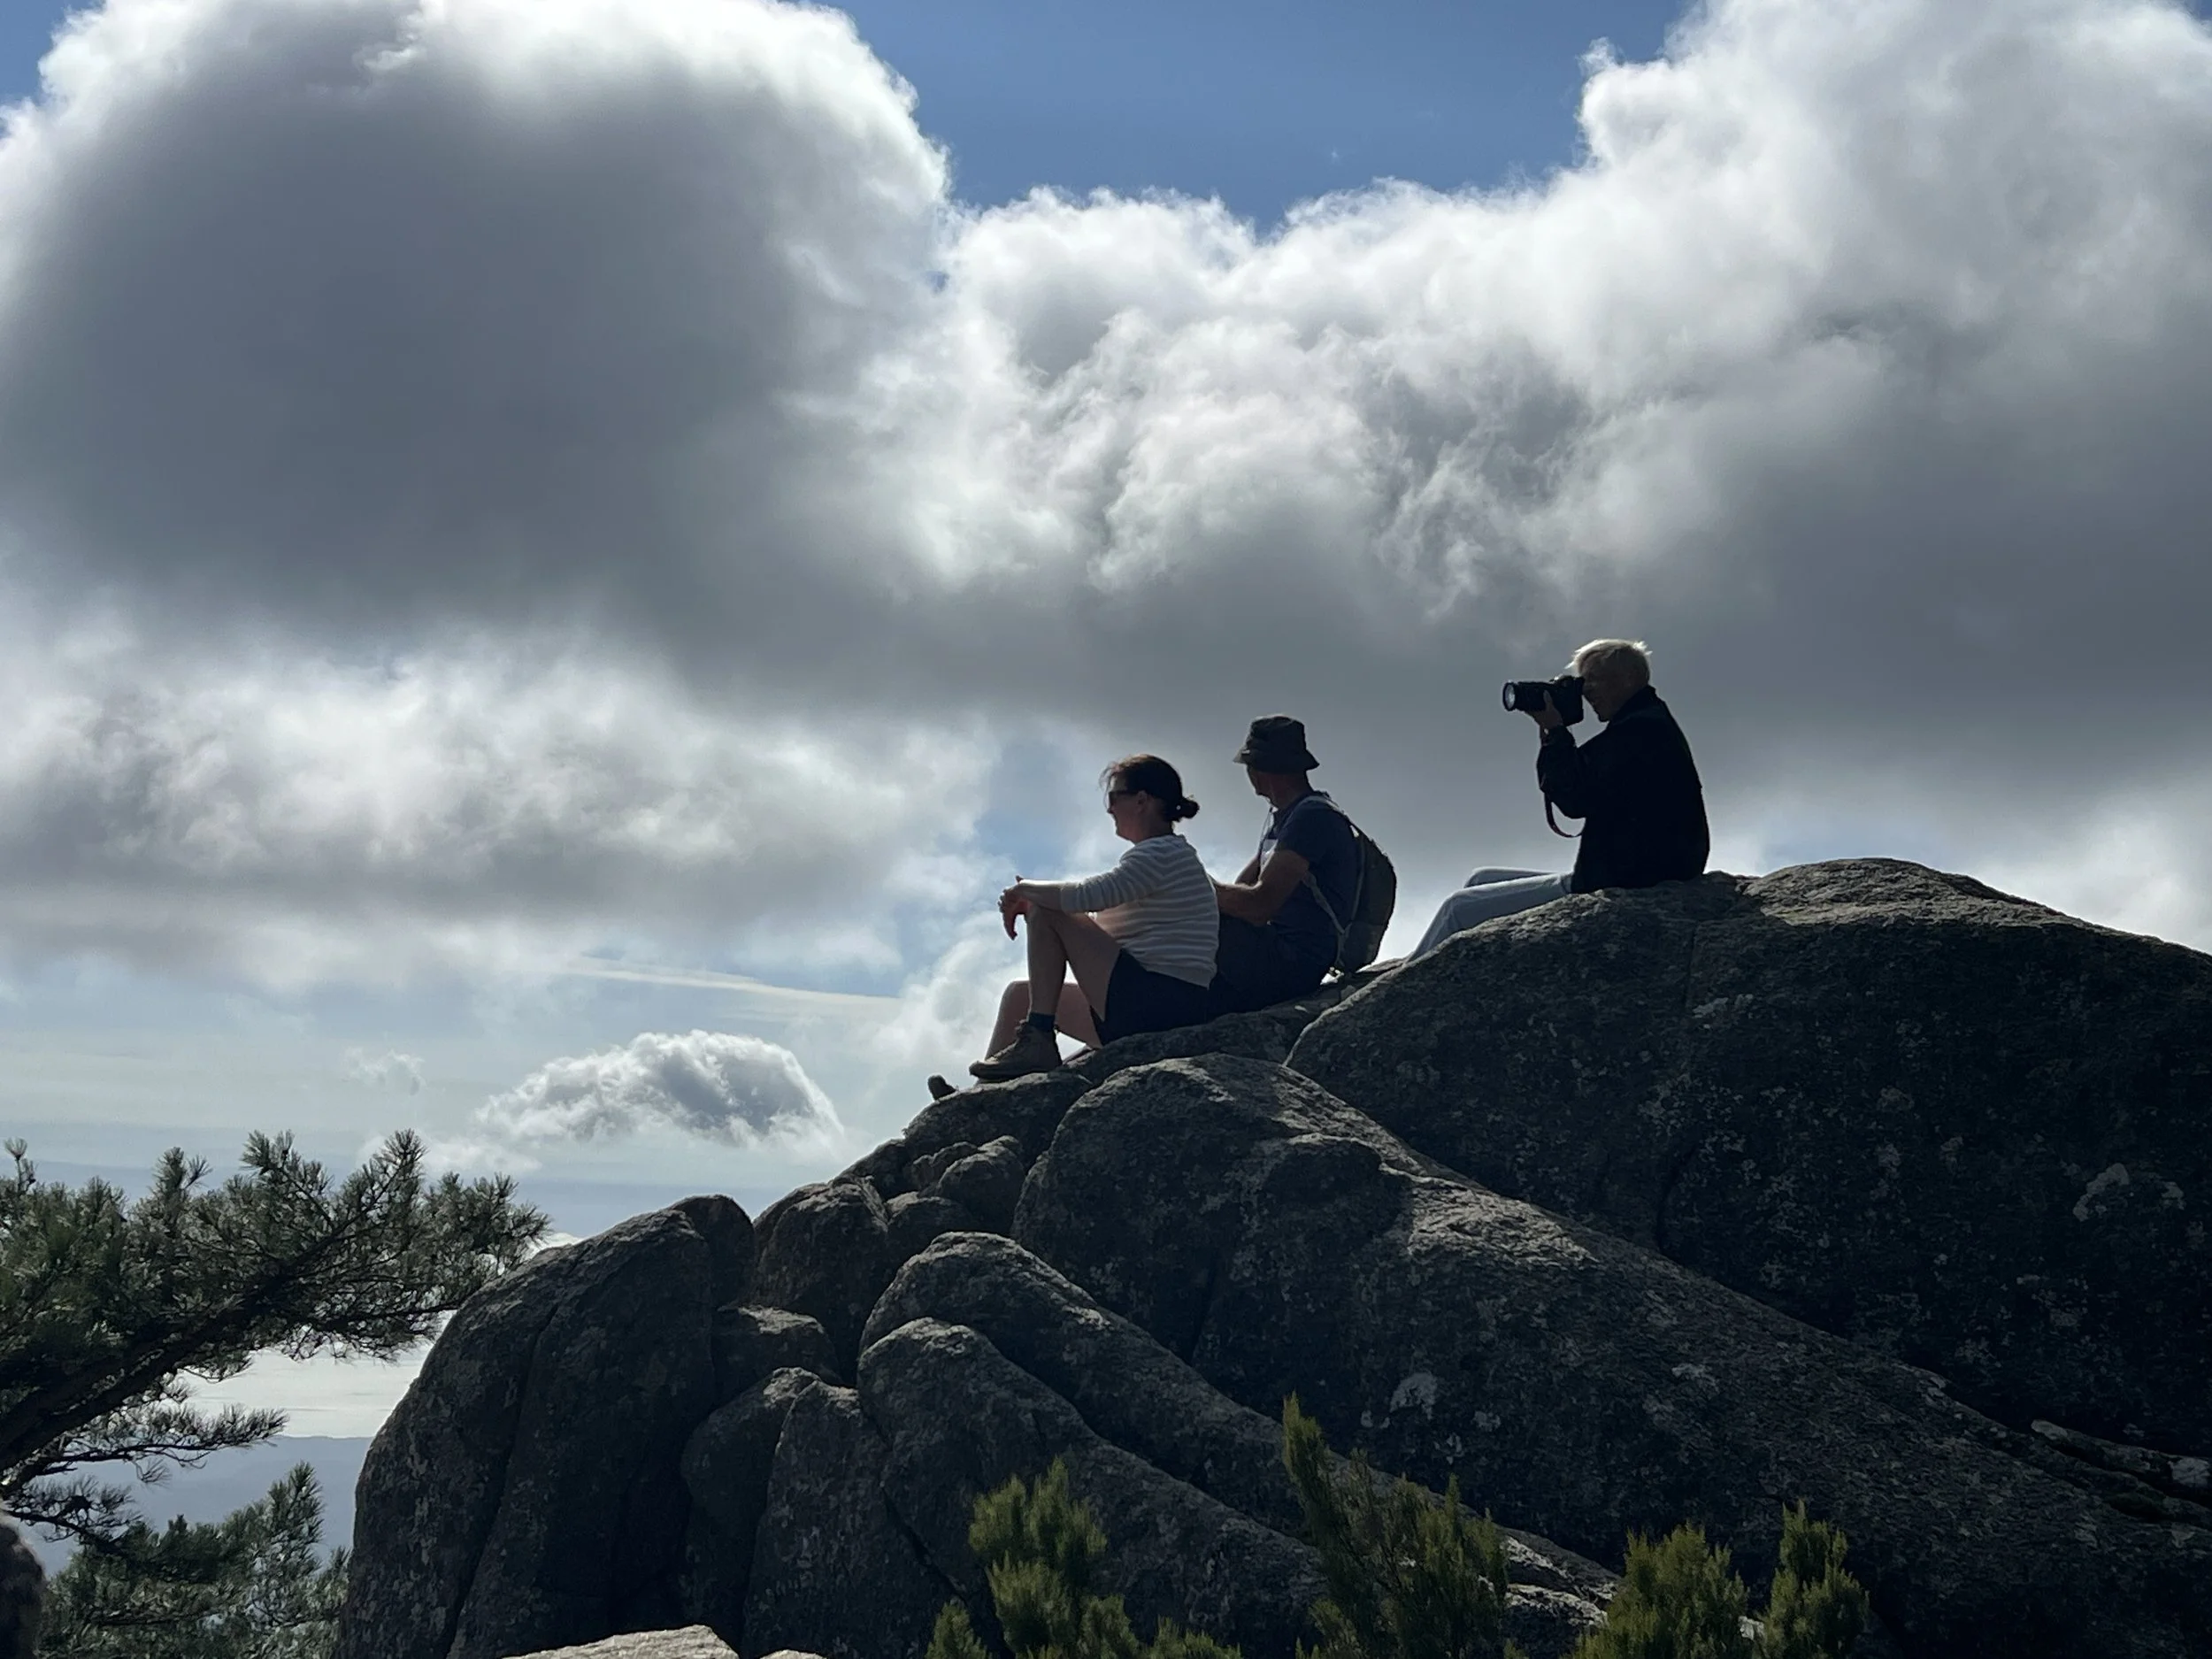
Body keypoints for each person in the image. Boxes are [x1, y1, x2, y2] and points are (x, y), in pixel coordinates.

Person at [1412, 638, 1708, 956]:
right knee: (1479, 880)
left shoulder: (1638, 733)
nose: (1587, 691)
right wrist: (1554, 735)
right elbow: (1586, 782)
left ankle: (1395, 990)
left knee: (1457, 908)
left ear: (1629, 679)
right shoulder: (1648, 724)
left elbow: (1574, 799)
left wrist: (1555, 733)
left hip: (1627, 878)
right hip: (1636, 869)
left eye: (1594, 679)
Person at [945, 755, 1218, 1092]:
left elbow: (1087, 896)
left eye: (1114, 797)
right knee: (1019, 996)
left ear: (1142, 800)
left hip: (1160, 1002)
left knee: (1048, 910)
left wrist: (1023, 891)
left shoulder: (1161, 854)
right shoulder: (1168, 856)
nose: (1109, 809)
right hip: (1156, 1002)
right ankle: (977, 1098)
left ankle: (1040, 1037)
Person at [1210, 715, 1362, 1014]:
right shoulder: (1289, 819)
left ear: (1262, 769)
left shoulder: (1310, 818)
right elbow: (1241, 891)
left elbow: (1258, 905)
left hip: (1292, 962)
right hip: (1286, 956)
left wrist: (1192, 887)